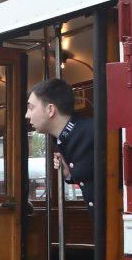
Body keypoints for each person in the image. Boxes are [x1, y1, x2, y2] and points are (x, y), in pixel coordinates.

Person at [24, 78, 96, 209]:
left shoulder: (92, 132)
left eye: (31, 108)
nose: (27, 115)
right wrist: (68, 173)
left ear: (50, 110)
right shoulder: (62, 139)